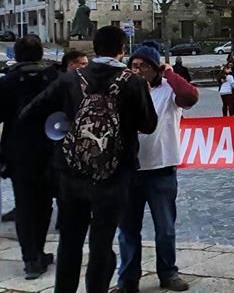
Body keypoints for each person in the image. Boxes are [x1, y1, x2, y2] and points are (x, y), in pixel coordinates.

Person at [20, 25, 157, 293]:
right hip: (114, 173)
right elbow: (149, 124)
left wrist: (62, 136)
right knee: (101, 244)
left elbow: (31, 113)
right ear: (122, 49)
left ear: (94, 48)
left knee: (70, 242)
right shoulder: (133, 81)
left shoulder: (71, 79)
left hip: (72, 172)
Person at [116, 42, 198, 293]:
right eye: (134, 65)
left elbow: (190, 97)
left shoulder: (167, 91)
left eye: (143, 66)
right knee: (128, 229)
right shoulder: (124, 90)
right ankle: (128, 279)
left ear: (155, 68)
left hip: (161, 167)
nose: (138, 70)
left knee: (165, 228)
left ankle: (168, 272)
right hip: (130, 168)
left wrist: (170, 74)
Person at [0, 35, 62, 280]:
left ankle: (31, 258)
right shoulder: (53, 78)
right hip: (49, 148)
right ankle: (39, 250)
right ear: (39, 54)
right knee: (45, 202)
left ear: (16, 54)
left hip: (18, 151)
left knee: (24, 204)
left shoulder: (8, 81)